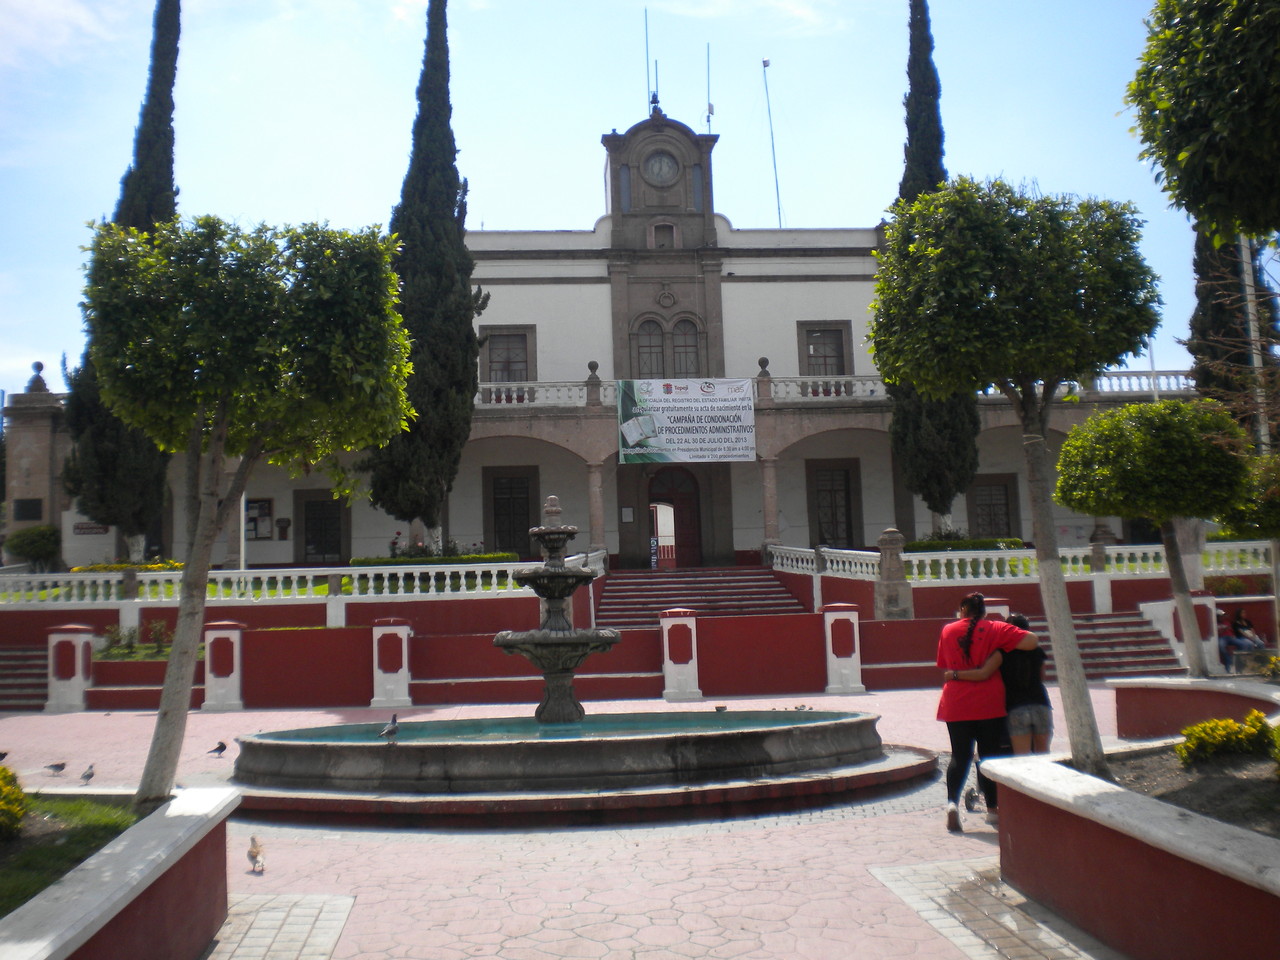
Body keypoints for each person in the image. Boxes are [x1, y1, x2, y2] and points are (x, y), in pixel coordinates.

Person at [936, 592, 1038, 832]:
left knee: (959, 756)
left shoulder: (948, 630)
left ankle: (952, 805)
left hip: (956, 701)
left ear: (962, 608)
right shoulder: (995, 628)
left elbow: (944, 664)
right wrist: (1002, 648)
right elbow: (1031, 641)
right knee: (989, 757)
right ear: (983, 611)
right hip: (988, 703)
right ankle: (992, 810)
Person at [965, 613, 1052, 755]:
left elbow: (985, 673)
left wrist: (955, 674)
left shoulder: (1002, 653)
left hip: (1015, 707)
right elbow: (1042, 677)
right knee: (1044, 756)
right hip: (1041, 704)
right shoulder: (1038, 650)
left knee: (1022, 758)